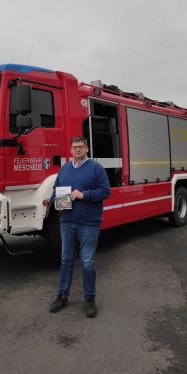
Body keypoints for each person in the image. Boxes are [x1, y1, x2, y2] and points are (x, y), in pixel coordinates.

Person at [49, 136, 110, 318]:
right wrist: (56, 201)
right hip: (67, 222)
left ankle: (89, 298)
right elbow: (55, 189)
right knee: (66, 260)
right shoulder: (65, 169)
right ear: (70, 150)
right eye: (75, 147)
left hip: (89, 223)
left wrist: (84, 195)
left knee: (88, 262)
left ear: (87, 149)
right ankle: (62, 295)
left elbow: (106, 191)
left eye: (81, 147)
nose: (77, 150)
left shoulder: (96, 168)